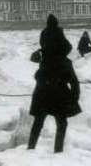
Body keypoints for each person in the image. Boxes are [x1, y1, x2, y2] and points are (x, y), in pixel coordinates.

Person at [28, 14, 81, 153]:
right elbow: (75, 83)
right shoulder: (64, 61)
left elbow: (38, 75)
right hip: (60, 96)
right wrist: (74, 99)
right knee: (61, 124)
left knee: (38, 122)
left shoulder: (44, 59)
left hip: (42, 93)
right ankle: (58, 152)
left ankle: (30, 149)